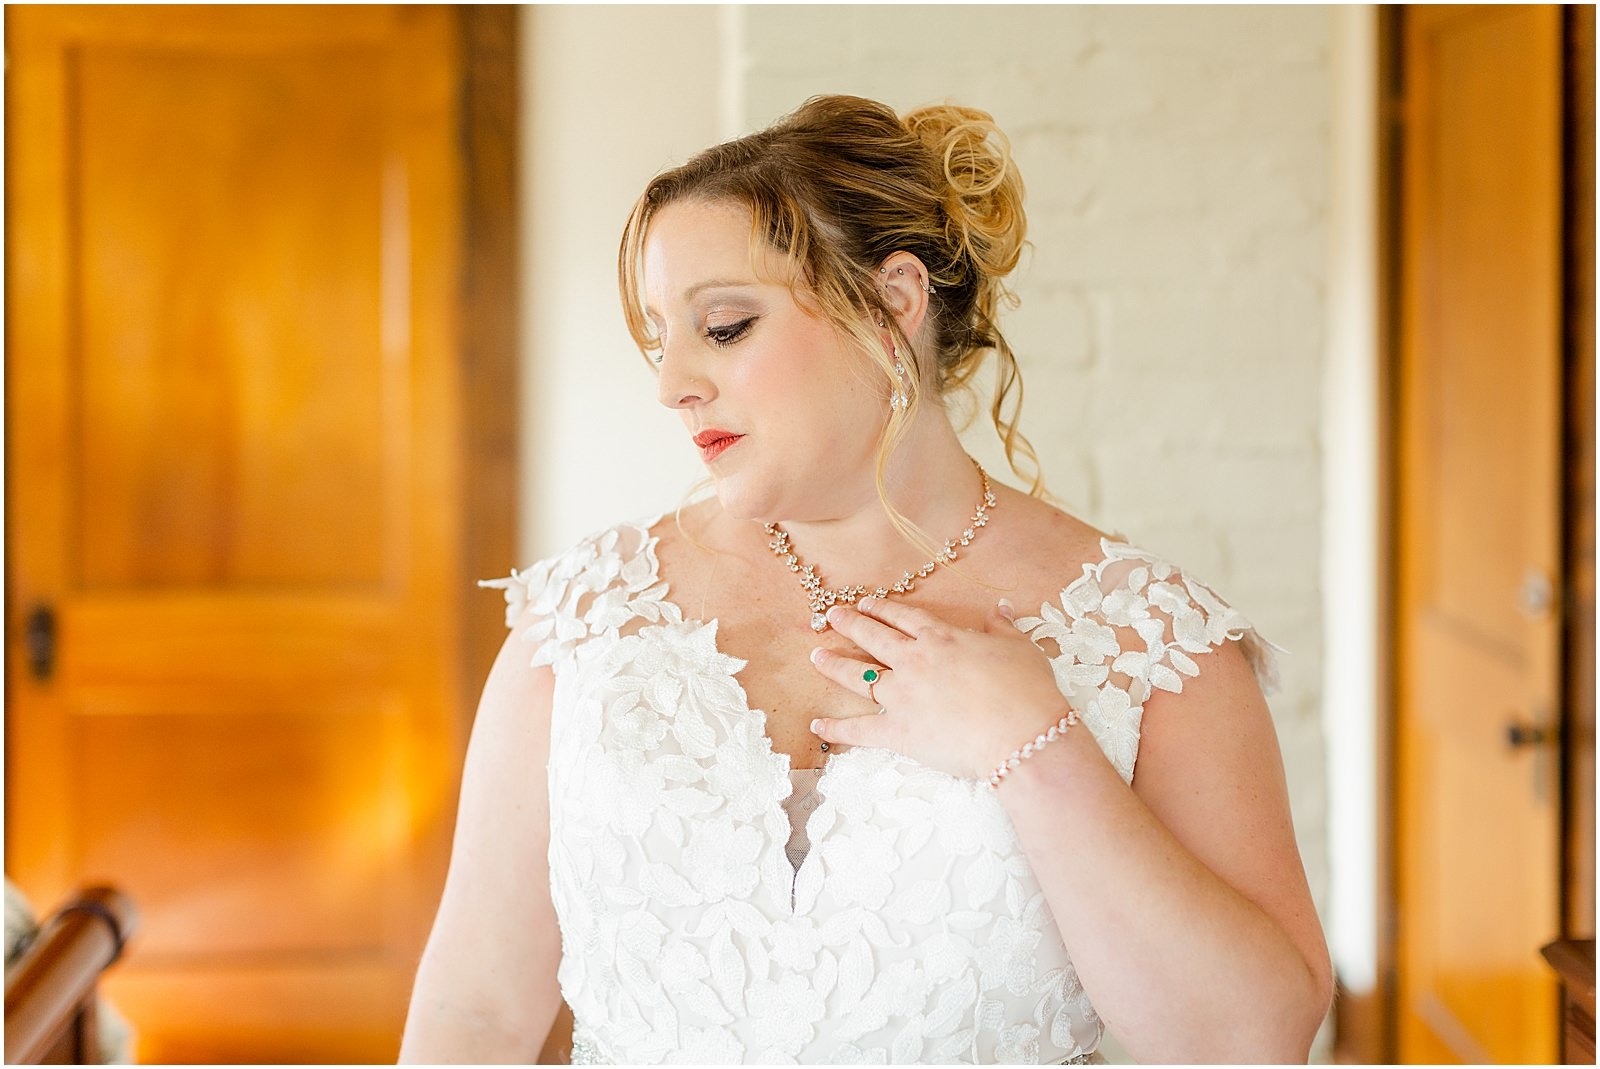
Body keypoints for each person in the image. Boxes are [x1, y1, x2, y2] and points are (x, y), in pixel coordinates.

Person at [399, 94, 1332, 1065]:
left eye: (722, 327)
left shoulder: (1146, 638)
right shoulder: (583, 623)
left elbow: (1248, 1040)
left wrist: (1038, 748)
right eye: (656, 337)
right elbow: (472, 1014)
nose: (671, 381)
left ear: (892, 302)